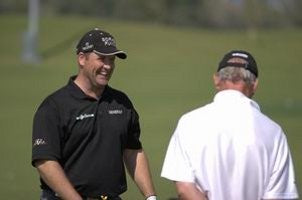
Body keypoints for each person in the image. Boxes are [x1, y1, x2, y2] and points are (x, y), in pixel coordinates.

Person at [32, 28, 157, 200]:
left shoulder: (121, 103)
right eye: (101, 59)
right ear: (82, 59)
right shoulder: (54, 106)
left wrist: (151, 197)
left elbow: (133, 150)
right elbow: (45, 162)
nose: (108, 66)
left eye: (112, 60)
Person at [161, 50, 299, 200]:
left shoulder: (189, 122)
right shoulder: (274, 132)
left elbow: (185, 188)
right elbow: (278, 196)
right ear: (255, 84)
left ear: (216, 79)